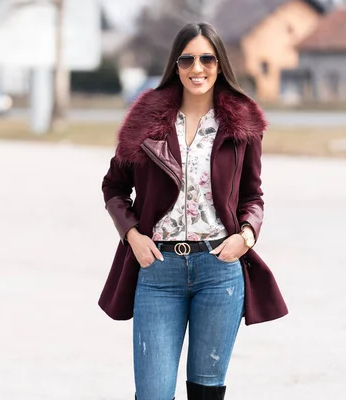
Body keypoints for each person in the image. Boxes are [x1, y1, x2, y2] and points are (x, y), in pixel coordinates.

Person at [99, 22, 289, 400]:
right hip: (157, 271)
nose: (197, 68)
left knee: (206, 391)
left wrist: (245, 237)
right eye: (187, 59)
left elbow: (253, 196)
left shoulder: (241, 126)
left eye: (207, 58)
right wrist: (133, 236)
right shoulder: (146, 121)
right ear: (176, 64)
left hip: (219, 270)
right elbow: (114, 187)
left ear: (220, 65)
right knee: (152, 393)